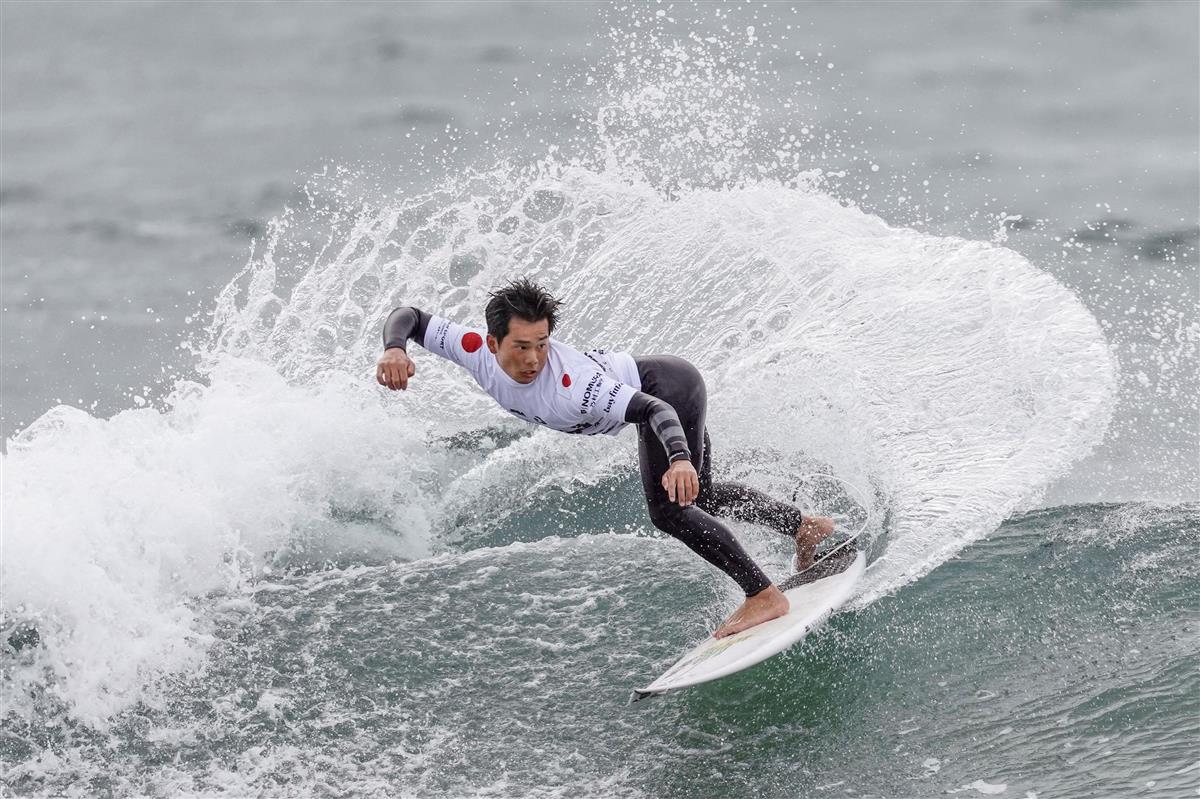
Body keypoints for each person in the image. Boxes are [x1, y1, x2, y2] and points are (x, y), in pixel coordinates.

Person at [376, 277, 833, 639]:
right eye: (521, 346)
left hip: (667, 391)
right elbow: (410, 316)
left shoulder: (571, 386)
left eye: (542, 344)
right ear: (492, 343)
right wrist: (395, 347)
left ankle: (763, 595)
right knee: (704, 497)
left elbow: (656, 409)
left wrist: (678, 458)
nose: (534, 358)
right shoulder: (472, 349)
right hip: (663, 386)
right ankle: (802, 525)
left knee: (670, 511)